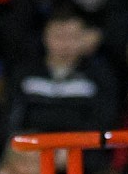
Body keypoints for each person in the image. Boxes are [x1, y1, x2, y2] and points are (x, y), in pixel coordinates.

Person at [7, 10, 121, 145]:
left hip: (81, 149)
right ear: (45, 37)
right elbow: (10, 119)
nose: (65, 44)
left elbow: (104, 122)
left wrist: (73, 147)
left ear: (83, 38)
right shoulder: (25, 74)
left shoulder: (100, 75)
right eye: (58, 37)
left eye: (72, 37)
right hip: (31, 149)